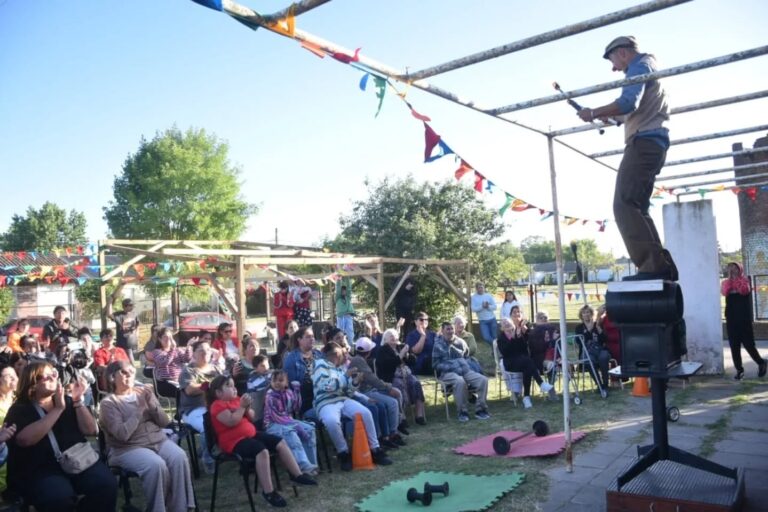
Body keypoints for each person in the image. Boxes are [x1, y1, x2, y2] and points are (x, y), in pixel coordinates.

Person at [577, 36, 677, 282]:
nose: (614, 68)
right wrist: (611, 118)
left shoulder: (639, 66)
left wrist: (594, 111)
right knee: (638, 207)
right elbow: (631, 110)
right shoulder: (650, 68)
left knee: (623, 204)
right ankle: (661, 266)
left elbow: (627, 102)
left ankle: (652, 266)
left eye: (613, 61)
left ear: (622, 53)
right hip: (653, 142)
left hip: (643, 143)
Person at [5, 361, 118, 511]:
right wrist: (57, 410)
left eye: (54, 373)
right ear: (32, 384)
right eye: (45, 376)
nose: (53, 377)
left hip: (77, 459)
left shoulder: (69, 400)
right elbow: (24, 440)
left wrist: (78, 400)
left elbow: (91, 430)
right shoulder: (20, 409)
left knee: (106, 484)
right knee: (58, 498)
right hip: (41, 468)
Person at [207, 375, 317, 508]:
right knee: (262, 451)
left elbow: (252, 417)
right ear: (218, 392)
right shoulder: (217, 406)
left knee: (279, 442)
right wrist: (242, 407)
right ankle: (269, 492)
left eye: (233, 385)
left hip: (251, 434)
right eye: (229, 386)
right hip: (234, 442)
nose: (234, 388)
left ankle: (297, 475)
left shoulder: (236, 400)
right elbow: (231, 421)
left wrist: (247, 408)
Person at [99, 361, 195, 512]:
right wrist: (139, 409)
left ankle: (180, 508)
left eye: (131, 370)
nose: (130, 374)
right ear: (112, 377)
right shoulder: (108, 403)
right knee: (156, 465)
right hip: (127, 448)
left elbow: (164, 422)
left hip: (157, 440)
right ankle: (158, 509)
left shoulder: (142, 393)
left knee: (179, 457)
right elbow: (122, 435)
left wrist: (153, 404)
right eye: (124, 372)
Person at [312, 343, 392, 471]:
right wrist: (346, 376)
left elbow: (348, 391)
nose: (345, 356)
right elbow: (327, 386)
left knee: (365, 413)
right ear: (336, 354)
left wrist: (355, 382)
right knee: (332, 421)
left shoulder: (340, 369)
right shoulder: (320, 364)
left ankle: (375, 449)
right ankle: (343, 453)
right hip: (326, 402)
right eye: (343, 354)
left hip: (343, 399)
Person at [178, 339, 225, 474]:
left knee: (228, 420)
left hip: (214, 406)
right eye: (201, 351)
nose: (205, 353)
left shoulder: (215, 369)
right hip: (193, 409)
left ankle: (203, 450)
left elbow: (225, 384)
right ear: (194, 353)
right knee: (207, 426)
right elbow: (190, 390)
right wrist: (210, 386)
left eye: (208, 350)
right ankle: (208, 460)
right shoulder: (188, 371)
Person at [349, 337, 406, 446]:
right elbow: (372, 379)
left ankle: (397, 425)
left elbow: (373, 379)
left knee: (397, 393)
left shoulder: (359, 359)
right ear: (369, 352)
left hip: (371, 389)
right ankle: (392, 433)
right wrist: (388, 388)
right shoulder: (358, 360)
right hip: (365, 392)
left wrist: (388, 387)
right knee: (392, 402)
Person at [432, 322, 490, 422]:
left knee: (483, 380)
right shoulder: (438, 345)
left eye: (452, 329)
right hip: (447, 373)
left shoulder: (460, 342)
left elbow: (467, 356)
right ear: (442, 331)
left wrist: (464, 364)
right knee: (460, 381)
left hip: (464, 370)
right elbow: (435, 364)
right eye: (448, 329)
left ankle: (480, 410)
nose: (450, 331)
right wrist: (451, 366)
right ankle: (462, 412)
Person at [497, 309, 555, 409]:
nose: (507, 325)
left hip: (522, 362)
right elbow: (505, 352)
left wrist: (519, 337)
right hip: (510, 363)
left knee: (527, 366)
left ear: (513, 325)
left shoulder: (518, 334)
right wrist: (513, 338)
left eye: (508, 323)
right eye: (504, 324)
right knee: (528, 362)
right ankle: (540, 383)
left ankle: (526, 397)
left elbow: (524, 350)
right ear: (502, 328)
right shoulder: (501, 338)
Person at [263, 370, 318, 475]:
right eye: (274, 380)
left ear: (286, 383)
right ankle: (302, 465)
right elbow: (276, 417)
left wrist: (297, 392)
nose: (277, 383)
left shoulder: (288, 393)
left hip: (287, 421)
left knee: (309, 429)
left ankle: (311, 464)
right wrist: (295, 425)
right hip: (272, 425)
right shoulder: (270, 396)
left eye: (280, 380)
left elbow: (296, 407)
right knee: (291, 432)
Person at [721, 262, 766, 380]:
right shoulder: (725, 282)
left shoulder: (745, 281)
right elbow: (725, 292)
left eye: (734, 268)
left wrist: (736, 280)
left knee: (748, 344)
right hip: (731, 318)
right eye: (729, 268)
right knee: (734, 345)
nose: (732, 270)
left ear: (739, 269)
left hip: (743, 318)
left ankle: (761, 362)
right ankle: (739, 370)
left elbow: (744, 291)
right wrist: (730, 280)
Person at [375, 328, 426, 425]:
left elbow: (413, 361)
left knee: (416, 383)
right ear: (385, 339)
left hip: (407, 374)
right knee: (399, 385)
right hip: (391, 377)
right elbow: (388, 365)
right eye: (390, 335)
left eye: (394, 335)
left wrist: (407, 355)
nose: (393, 337)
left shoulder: (400, 347)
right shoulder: (382, 350)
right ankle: (402, 416)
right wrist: (401, 354)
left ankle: (419, 415)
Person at [282, 326, 323, 417]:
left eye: (312, 336)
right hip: (304, 399)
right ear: (299, 340)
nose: (312, 339)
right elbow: (291, 386)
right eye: (308, 337)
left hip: (322, 393)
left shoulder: (318, 354)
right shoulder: (291, 359)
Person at [575, 305, 611, 394]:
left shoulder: (598, 324)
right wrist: (589, 331)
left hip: (600, 349)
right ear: (581, 315)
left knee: (604, 356)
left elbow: (605, 340)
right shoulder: (579, 328)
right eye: (584, 313)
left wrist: (600, 331)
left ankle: (605, 383)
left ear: (592, 314)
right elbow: (579, 342)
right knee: (588, 360)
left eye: (588, 312)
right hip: (587, 351)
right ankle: (599, 384)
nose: (586, 314)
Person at [152, 327, 193, 398]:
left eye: (170, 337)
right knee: (181, 391)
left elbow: (187, 359)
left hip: (179, 380)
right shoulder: (157, 352)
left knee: (191, 389)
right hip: (165, 383)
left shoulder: (177, 350)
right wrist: (173, 349)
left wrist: (188, 347)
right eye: (165, 337)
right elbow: (165, 362)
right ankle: (181, 408)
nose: (168, 339)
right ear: (159, 339)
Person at [107, 289, 140, 363]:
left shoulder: (134, 314)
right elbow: (109, 314)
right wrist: (109, 302)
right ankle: (132, 372)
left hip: (133, 344)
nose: (132, 307)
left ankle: (136, 373)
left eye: (132, 305)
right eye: (130, 305)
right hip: (123, 344)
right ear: (124, 306)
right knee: (127, 362)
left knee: (136, 361)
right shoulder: (119, 315)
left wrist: (137, 335)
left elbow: (138, 325)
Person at [0, 364, 18, 493]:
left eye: (15, 375)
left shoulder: (20, 400)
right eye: (8, 375)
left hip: (17, 456)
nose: (13, 378)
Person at [335, 277, 356, 344]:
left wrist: (347, 277)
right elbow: (338, 289)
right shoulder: (337, 298)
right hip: (341, 317)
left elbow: (349, 288)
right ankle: (340, 345)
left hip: (348, 316)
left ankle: (351, 346)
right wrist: (338, 279)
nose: (344, 291)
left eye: (345, 290)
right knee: (340, 332)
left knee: (350, 333)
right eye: (342, 290)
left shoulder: (348, 297)